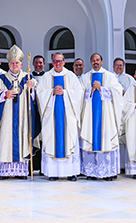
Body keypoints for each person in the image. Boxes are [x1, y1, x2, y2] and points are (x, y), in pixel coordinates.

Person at [0, 45, 40, 179]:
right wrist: (4, 94)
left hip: (23, 117)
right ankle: (4, 172)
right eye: (12, 62)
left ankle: (21, 172)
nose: (14, 65)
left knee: (23, 140)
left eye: (17, 62)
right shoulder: (1, 79)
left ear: (22, 64)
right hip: (6, 118)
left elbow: (36, 100)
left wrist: (31, 90)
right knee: (5, 140)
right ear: (8, 64)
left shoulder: (28, 79)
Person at [37, 52, 83, 181]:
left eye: (60, 61)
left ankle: (71, 172)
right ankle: (53, 173)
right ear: (52, 63)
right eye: (55, 61)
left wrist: (65, 93)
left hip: (67, 116)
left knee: (69, 141)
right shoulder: (46, 77)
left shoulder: (71, 76)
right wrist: (52, 92)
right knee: (52, 141)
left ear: (64, 62)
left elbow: (78, 93)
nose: (57, 63)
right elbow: (39, 93)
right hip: (51, 118)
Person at [79, 53, 123, 181]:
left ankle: (108, 172)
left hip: (106, 117)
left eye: (97, 60)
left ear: (102, 61)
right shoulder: (85, 77)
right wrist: (90, 91)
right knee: (91, 138)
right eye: (93, 60)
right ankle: (91, 172)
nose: (95, 62)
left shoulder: (110, 76)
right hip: (90, 116)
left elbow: (118, 91)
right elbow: (79, 94)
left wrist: (103, 89)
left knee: (106, 140)